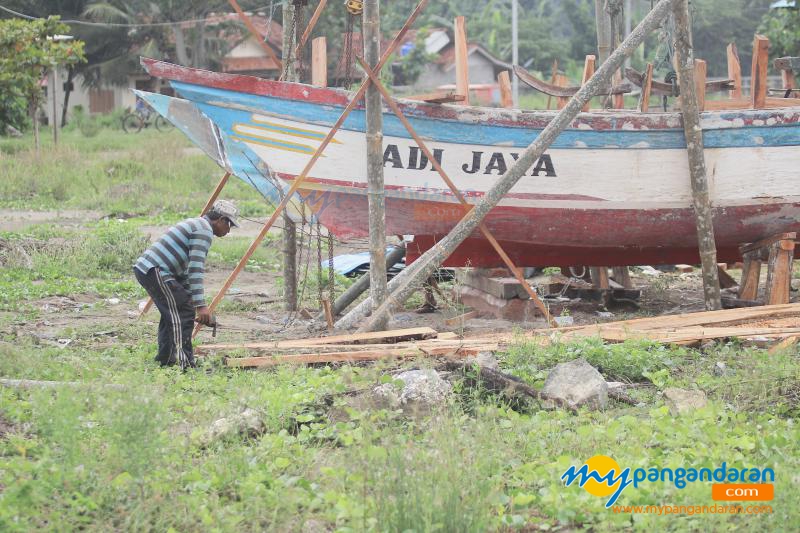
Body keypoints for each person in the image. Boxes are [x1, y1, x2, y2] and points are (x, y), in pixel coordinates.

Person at [134, 200, 239, 368]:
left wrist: (192, 301)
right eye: (229, 225)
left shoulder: (198, 225)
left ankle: (166, 360)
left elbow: (184, 273)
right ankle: (186, 365)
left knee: (173, 312)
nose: (228, 230)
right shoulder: (204, 231)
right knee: (183, 313)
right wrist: (200, 306)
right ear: (220, 220)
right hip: (156, 270)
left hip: (149, 269)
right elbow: (195, 270)